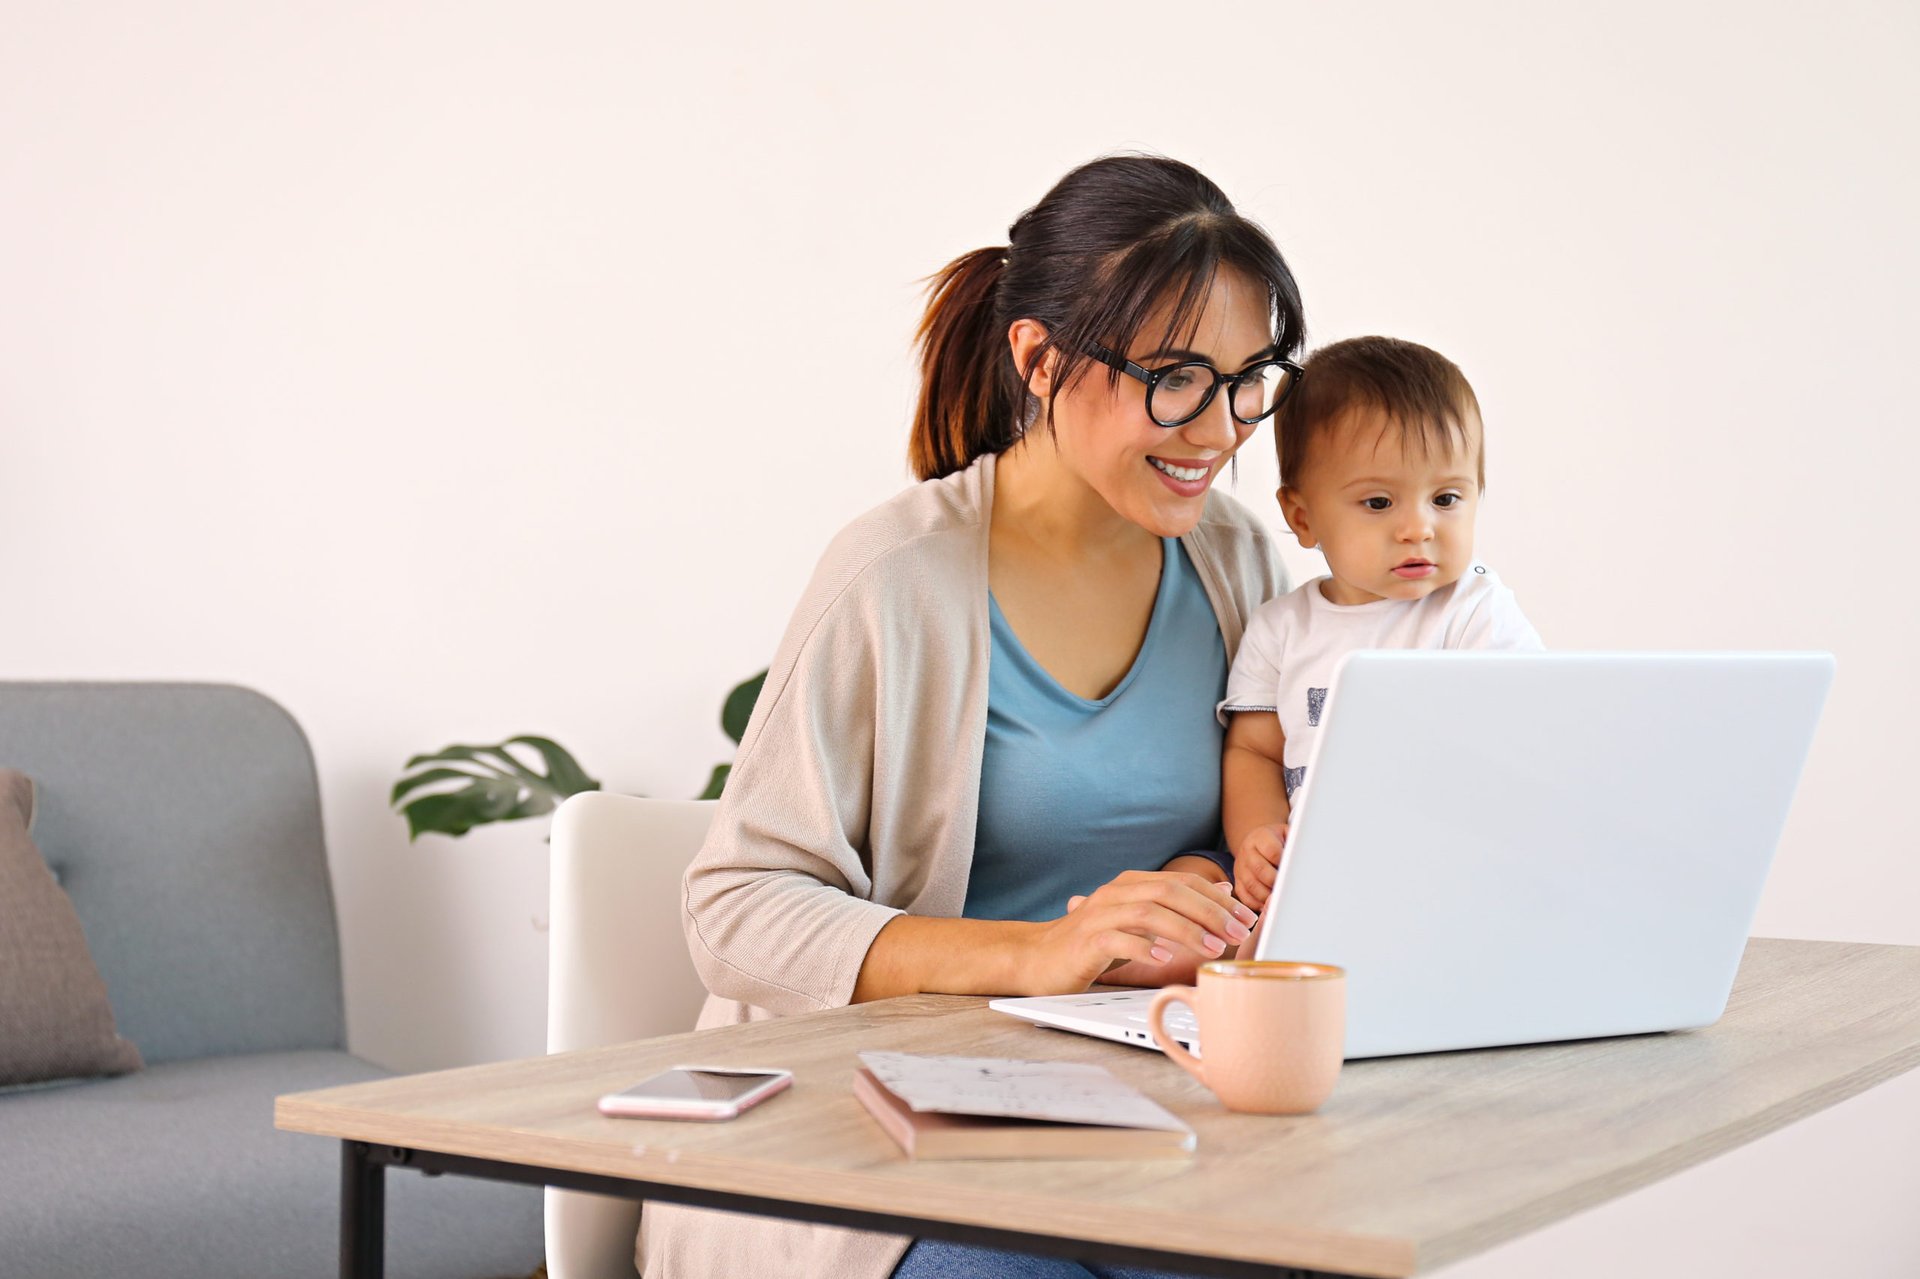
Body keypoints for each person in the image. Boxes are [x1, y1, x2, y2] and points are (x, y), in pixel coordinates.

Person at [645, 155, 1306, 1279]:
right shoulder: (895, 579)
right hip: (876, 1142)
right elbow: (735, 909)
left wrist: (1211, 881)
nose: (1220, 430)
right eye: (1177, 376)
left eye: (1249, 379)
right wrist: (1041, 952)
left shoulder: (1236, 561)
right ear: (1039, 360)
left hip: (1136, 1112)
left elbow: (1243, 810)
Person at [1220, 336, 1544, 912]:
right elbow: (1255, 754)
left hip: (1454, 879)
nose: (1418, 528)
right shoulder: (1280, 629)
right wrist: (1257, 839)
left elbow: (1529, 736)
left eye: (1446, 498)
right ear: (1302, 516)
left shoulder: (1473, 613)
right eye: (1378, 503)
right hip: (1325, 888)